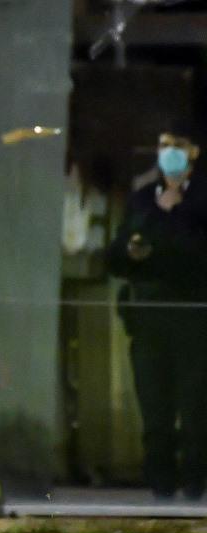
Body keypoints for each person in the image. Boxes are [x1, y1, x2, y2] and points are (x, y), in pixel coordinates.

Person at [107, 130, 207, 500]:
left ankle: (195, 482)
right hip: (149, 318)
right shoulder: (142, 199)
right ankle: (161, 484)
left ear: (193, 152)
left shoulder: (201, 198)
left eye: (177, 146)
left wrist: (171, 218)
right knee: (154, 405)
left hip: (194, 318)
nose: (169, 153)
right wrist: (133, 250)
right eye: (164, 146)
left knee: (195, 406)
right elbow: (117, 256)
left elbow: (193, 254)